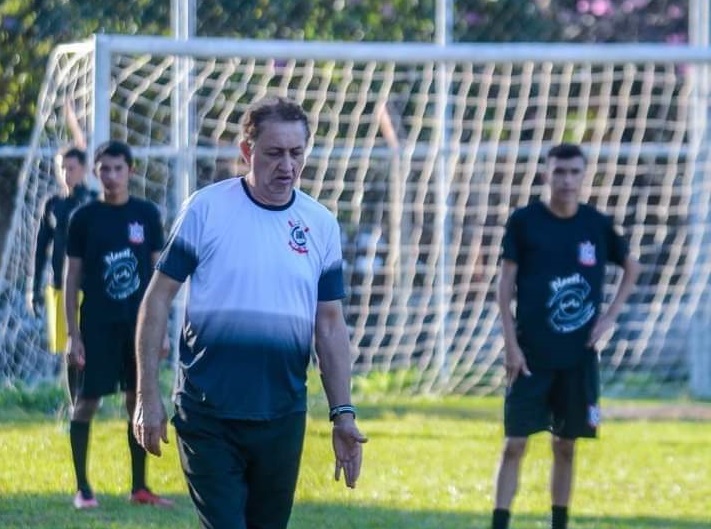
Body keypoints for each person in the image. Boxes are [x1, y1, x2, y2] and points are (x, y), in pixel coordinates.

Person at [132, 95, 367, 529]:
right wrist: (148, 395)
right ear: (247, 151)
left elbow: (330, 327)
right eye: (274, 153)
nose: (287, 165)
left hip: (282, 416)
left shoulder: (321, 224)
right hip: (208, 414)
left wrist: (343, 413)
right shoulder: (206, 209)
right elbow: (158, 298)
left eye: (296, 153)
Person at [491, 143, 640, 529]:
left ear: (584, 175)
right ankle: (500, 521)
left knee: (565, 445)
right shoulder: (525, 222)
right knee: (516, 443)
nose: (567, 180)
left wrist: (608, 318)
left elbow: (631, 267)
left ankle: (560, 522)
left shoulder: (596, 224)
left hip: (578, 356)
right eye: (560, 172)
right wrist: (510, 345)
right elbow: (504, 286)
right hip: (530, 354)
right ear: (546, 174)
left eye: (574, 172)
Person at [64, 140, 173, 509]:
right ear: (96, 173)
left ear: (131, 171)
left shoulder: (146, 214)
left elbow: (162, 277)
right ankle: (83, 489)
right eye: (104, 170)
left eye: (117, 169)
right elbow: (71, 277)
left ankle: (140, 487)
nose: (111, 176)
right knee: (85, 403)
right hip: (96, 326)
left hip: (138, 327)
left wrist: (164, 330)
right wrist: (72, 335)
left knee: (136, 400)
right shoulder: (83, 218)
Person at [29, 147, 96, 356]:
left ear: (84, 169)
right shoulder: (52, 204)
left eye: (72, 168)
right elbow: (40, 249)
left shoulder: (95, 202)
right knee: (67, 350)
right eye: (62, 168)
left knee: (92, 347)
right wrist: (34, 287)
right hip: (60, 285)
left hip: (91, 288)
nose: (67, 173)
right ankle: (71, 390)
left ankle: (92, 389)